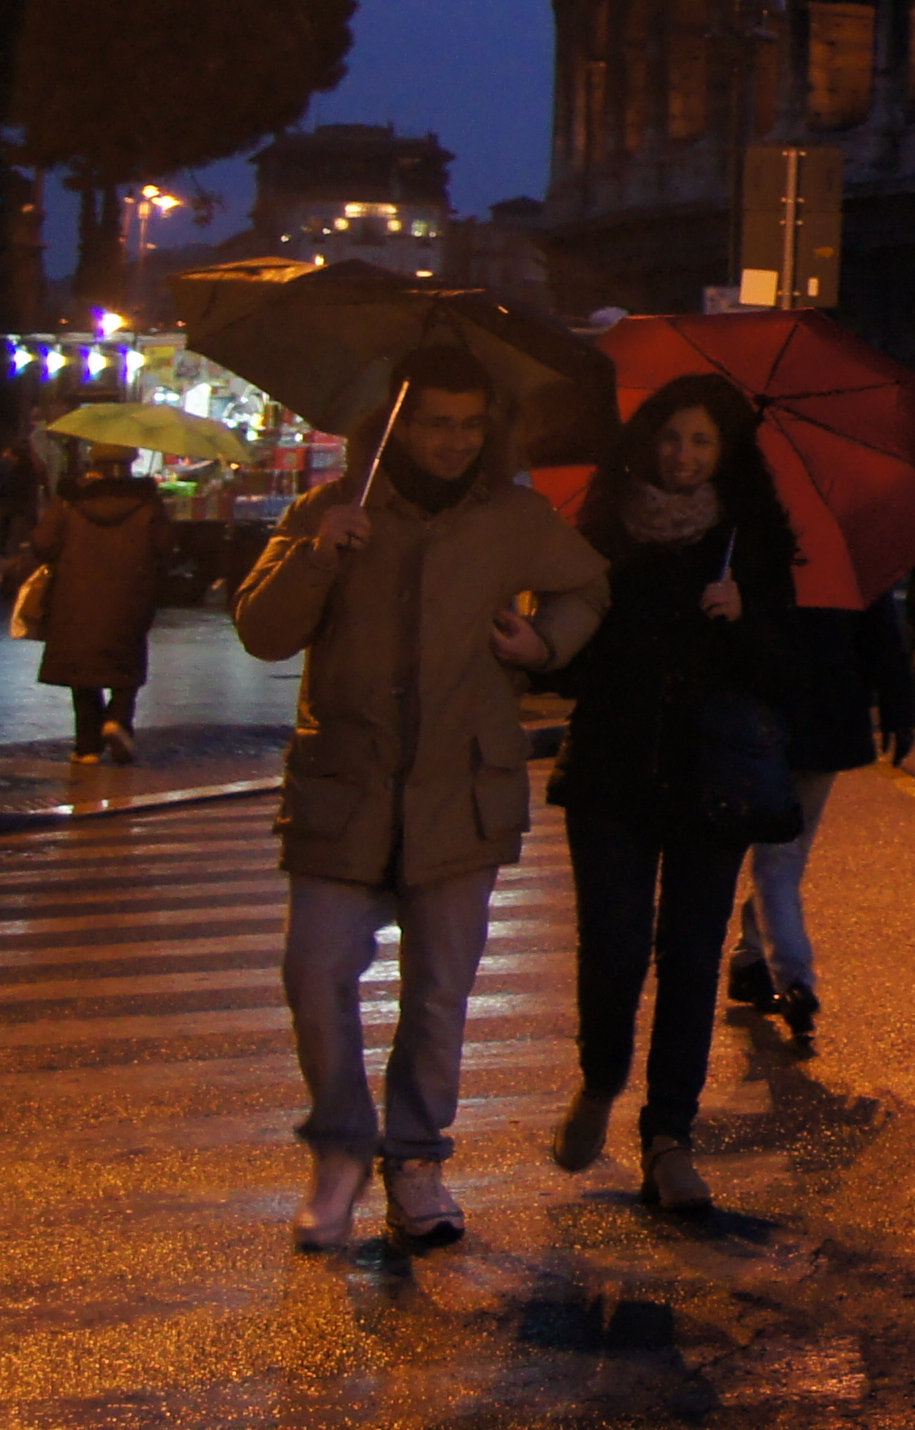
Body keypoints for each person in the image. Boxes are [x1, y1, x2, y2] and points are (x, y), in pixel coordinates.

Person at [230, 345, 610, 1254]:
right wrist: (317, 558)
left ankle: (416, 1161)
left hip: (460, 791)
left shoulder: (513, 517)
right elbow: (261, 631)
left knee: (439, 994)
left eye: (471, 424)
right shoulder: (333, 508)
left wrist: (541, 644)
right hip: (346, 791)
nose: (454, 441)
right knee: (314, 974)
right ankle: (339, 1149)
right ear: (397, 425)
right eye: (437, 423)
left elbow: (588, 586)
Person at [546, 375, 799, 1216]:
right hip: (611, 772)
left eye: (700, 441)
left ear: (725, 453)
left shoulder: (751, 540)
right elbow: (572, 663)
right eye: (669, 438)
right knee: (614, 947)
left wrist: (743, 617)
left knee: (690, 958)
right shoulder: (603, 531)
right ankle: (599, 1080)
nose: (682, 456)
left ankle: (669, 1139)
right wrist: (539, 640)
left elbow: (785, 672)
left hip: (711, 780)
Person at [726, 546, 914, 1054]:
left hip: (774, 719)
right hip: (814, 719)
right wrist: (897, 703)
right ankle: (790, 975)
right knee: (783, 858)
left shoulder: (742, 546)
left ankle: (760, 961)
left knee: (779, 858)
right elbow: (879, 629)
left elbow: (877, 626)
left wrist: (898, 702)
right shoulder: (840, 548)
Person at [24, 439, 166, 763]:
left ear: (94, 465)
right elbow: (164, 547)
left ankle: (87, 746)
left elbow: (43, 545)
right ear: (130, 464)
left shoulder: (71, 500)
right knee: (126, 663)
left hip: (75, 595)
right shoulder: (147, 502)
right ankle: (117, 720)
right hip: (131, 595)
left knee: (83, 669)